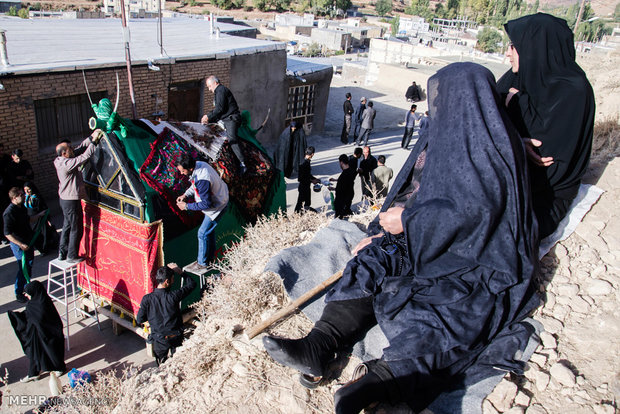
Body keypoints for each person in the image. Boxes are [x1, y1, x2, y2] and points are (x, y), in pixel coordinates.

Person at [263, 62, 538, 413]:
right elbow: (412, 191)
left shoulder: (493, 151)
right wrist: (380, 232)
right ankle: (319, 345)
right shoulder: (443, 136)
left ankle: (381, 380)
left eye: (441, 100)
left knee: (453, 309)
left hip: (474, 257)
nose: (433, 109)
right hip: (421, 236)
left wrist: (410, 220)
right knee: (370, 261)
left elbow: (481, 216)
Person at [497, 13, 595, 239]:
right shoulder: (518, 76)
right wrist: (516, 140)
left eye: (514, 46)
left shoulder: (574, 92)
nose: (507, 53)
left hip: (542, 196)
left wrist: (512, 114)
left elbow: (545, 157)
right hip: (505, 183)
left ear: (535, 47)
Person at [54, 130, 103, 263]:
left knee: (67, 226)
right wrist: (94, 143)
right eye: (70, 148)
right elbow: (84, 156)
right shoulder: (67, 165)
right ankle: (72, 255)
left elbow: (80, 148)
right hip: (70, 201)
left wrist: (91, 136)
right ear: (64, 153)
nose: (72, 149)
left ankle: (62, 253)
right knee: (76, 227)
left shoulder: (60, 160)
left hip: (64, 200)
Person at [175, 155, 229, 272]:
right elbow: (194, 185)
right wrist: (185, 195)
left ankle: (202, 264)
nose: (182, 174)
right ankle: (209, 258)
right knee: (208, 232)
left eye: (183, 171)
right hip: (219, 198)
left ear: (189, 168)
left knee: (202, 233)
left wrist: (187, 206)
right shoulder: (198, 165)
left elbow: (206, 204)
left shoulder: (202, 179)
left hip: (217, 206)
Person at [136, 263, 197, 366]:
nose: (173, 281)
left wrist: (152, 318)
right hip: (176, 337)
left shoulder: (147, 299)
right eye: (173, 279)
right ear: (167, 282)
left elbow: (139, 319)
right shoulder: (174, 296)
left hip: (159, 339)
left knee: (161, 364)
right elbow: (192, 284)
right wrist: (180, 272)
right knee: (178, 362)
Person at [8, 280, 66, 382]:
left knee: (51, 352)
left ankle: (58, 368)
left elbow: (38, 320)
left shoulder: (37, 305)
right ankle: (33, 373)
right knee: (35, 351)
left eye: (27, 293)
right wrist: (16, 317)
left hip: (49, 336)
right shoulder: (38, 302)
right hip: (39, 335)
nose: (26, 295)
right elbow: (30, 318)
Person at [4, 187, 44, 303]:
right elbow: (7, 234)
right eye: (21, 195)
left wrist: (39, 215)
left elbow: (29, 220)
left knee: (29, 264)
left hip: (28, 241)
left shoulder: (21, 208)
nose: (23, 196)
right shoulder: (9, 213)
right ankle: (19, 292)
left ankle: (27, 285)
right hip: (19, 245)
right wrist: (20, 244)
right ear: (14, 198)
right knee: (23, 268)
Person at [201, 76, 247, 174]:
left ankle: (242, 162)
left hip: (231, 119)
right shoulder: (219, 92)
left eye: (209, 86)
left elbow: (219, 109)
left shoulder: (220, 90)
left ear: (215, 83)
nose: (209, 89)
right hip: (224, 119)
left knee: (232, 139)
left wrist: (208, 117)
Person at [23, 181, 58, 255]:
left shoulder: (37, 198)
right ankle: (41, 249)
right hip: (32, 221)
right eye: (25, 189)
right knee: (35, 236)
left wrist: (48, 219)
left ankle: (45, 249)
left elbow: (44, 208)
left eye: (28, 189)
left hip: (40, 220)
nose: (27, 191)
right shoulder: (25, 198)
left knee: (44, 235)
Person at [328, 154, 357, 219]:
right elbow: (346, 183)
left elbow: (341, 189)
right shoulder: (351, 171)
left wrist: (333, 189)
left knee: (340, 218)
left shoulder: (343, 175)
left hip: (342, 201)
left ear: (341, 162)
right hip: (349, 197)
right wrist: (335, 180)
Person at [295, 146, 320, 213]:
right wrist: (312, 180)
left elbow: (307, 175)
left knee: (306, 203)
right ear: (312, 154)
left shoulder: (306, 162)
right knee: (300, 205)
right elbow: (300, 178)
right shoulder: (303, 163)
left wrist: (315, 179)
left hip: (306, 186)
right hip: (303, 187)